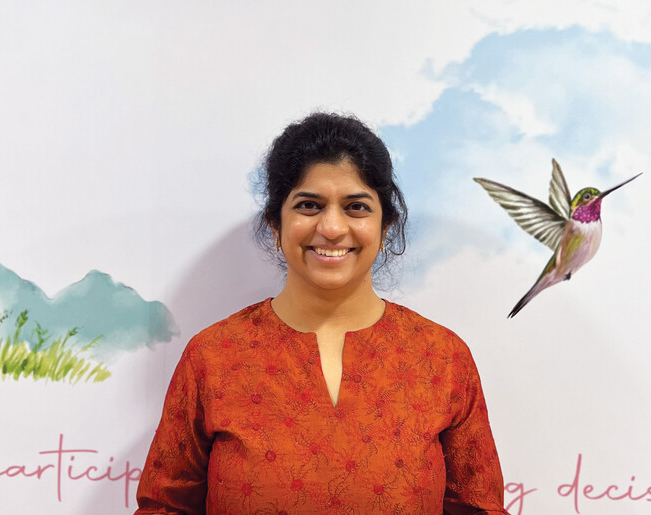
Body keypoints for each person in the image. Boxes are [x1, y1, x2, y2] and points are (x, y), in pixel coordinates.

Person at [135, 112, 509, 514]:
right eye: (309, 205)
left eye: (356, 207)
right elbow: (164, 507)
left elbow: (478, 508)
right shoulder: (214, 356)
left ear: (384, 229)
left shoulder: (441, 358)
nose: (332, 227)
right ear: (276, 225)